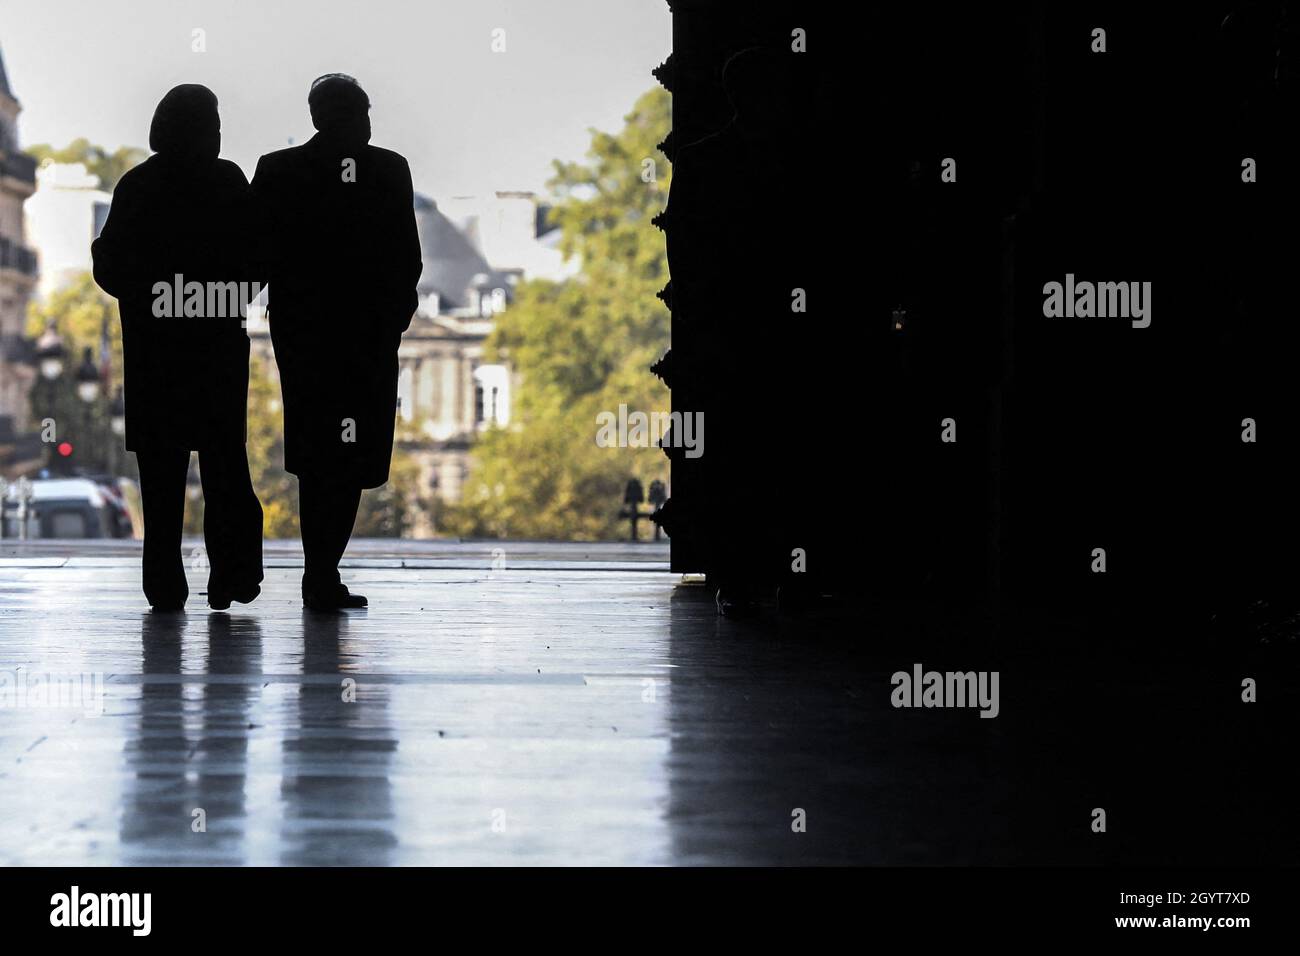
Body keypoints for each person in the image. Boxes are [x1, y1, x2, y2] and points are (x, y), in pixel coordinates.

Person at [250, 74, 421, 610]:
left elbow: (254, 253)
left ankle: (319, 571)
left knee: (316, 452)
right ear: (358, 114)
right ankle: (323, 570)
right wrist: (393, 317)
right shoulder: (389, 170)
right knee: (352, 454)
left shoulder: (278, 171)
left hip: (305, 336)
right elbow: (406, 256)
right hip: (365, 336)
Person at [92, 84, 264, 612]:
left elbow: (111, 265)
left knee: (161, 476)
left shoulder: (137, 186)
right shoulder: (227, 180)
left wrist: (154, 295)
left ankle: (164, 583)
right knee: (224, 465)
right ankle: (229, 575)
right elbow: (257, 257)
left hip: (155, 354)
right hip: (215, 347)